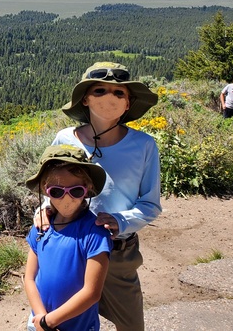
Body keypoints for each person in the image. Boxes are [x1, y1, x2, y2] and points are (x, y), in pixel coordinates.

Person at [37, 61, 161, 331]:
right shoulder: (64, 138)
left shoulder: (144, 146)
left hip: (118, 253)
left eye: (119, 93)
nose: (110, 98)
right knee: (61, 322)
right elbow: (51, 185)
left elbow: (151, 204)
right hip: (68, 245)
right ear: (85, 99)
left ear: (128, 103)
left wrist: (120, 221)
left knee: (131, 325)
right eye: (100, 91)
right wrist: (44, 208)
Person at [24, 144, 111, 331]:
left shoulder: (94, 233)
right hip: (38, 321)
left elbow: (91, 293)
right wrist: (40, 318)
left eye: (76, 191)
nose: (66, 198)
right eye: (57, 191)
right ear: (46, 190)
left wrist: (49, 322)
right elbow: (29, 278)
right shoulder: (41, 228)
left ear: (86, 189)